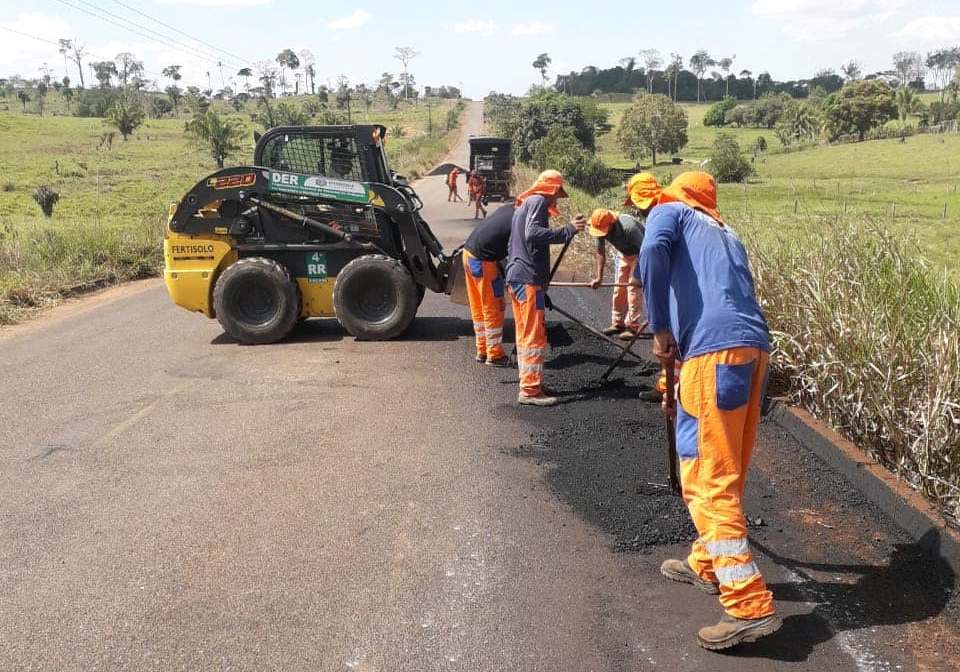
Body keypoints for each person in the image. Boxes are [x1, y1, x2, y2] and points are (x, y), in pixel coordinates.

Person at [635, 171, 781, 650]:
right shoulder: (726, 233)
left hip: (711, 355)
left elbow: (652, 251)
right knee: (726, 465)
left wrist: (659, 327)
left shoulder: (670, 210)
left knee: (704, 475)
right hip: (752, 352)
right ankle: (706, 561)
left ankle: (747, 604)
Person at [506, 169, 586, 407]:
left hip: (520, 277)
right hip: (527, 280)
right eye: (557, 194)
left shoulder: (523, 206)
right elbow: (534, 235)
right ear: (551, 189)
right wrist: (568, 230)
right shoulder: (538, 201)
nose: (556, 200)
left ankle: (531, 383)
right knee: (533, 335)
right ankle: (530, 391)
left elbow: (516, 244)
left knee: (525, 334)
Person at [587, 172, 662, 340]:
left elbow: (646, 252)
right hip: (623, 254)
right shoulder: (600, 228)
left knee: (633, 289)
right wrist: (598, 277)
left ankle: (633, 326)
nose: (602, 236)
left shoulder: (629, 228)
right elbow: (600, 252)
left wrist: (640, 276)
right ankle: (618, 323)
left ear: (611, 224)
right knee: (618, 288)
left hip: (639, 254)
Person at [462, 205, 513, 367]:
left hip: (468, 255)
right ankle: (495, 354)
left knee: (478, 306)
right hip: (483, 261)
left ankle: (482, 350)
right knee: (494, 306)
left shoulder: (507, 209)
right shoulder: (521, 219)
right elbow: (517, 254)